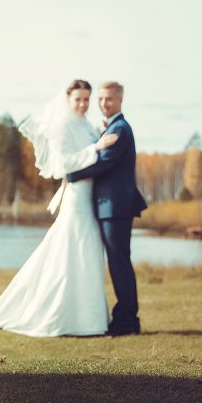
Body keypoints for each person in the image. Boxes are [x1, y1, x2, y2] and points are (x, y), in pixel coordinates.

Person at [0, 80, 118, 337]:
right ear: (68, 100)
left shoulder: (88, 126)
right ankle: (63, 316)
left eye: (86, 99)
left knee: (86, 251)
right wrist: (96, 148)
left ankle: (90, 320)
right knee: (71, 250)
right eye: (78, 99)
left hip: (90, 198)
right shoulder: (63, 127)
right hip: (76, 198)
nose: (83, 104)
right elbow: (64, 163)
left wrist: (97, 139)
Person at [66, 81, 147, 336]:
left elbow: (103, 164)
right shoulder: (111, 127)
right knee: (118, 262)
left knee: (119, 263)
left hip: (115, 207)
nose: (103, 103)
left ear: (120, 100)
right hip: (110, 207)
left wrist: (71, 175)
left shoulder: (120, 129)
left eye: (109, 99)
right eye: (101, 99)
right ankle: (127, 318)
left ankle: (126, 319)